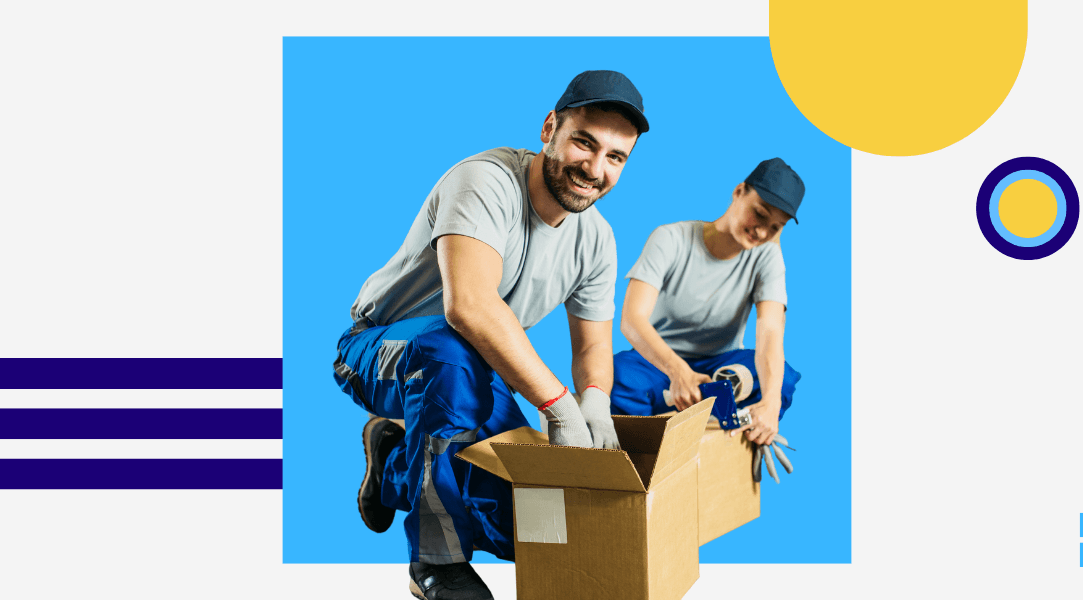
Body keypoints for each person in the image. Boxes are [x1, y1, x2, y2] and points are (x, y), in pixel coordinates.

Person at [332, 70, 648, 600]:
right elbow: (471, 307)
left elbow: (593, 344)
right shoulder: (486, 180)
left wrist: (594, 402)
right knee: (449, 351)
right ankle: (437, 561)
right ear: (550, 128)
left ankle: (392, 461)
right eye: (584, 143)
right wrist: (560, 407)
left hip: (473, 368)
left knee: (520, 525)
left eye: (615, 158)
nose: (594, 169)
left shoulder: (596, 239)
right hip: (379, 349)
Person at [612, 159, 804, 449]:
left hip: (721, 368)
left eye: (775, 228)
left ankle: (701, 420)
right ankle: (654, 440)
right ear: (739, 191)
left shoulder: (767, 256)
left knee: (781, 381)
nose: (762, 233)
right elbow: (631, 319)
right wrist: (678, 372)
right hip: (658, 363)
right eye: (759, 215)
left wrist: (771, 406)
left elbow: (770, 332)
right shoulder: (670, 239)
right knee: (610, 376)